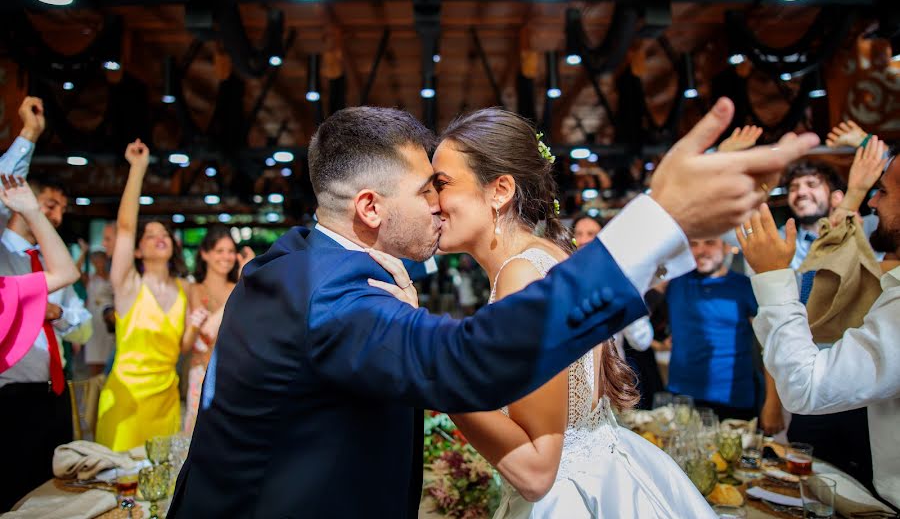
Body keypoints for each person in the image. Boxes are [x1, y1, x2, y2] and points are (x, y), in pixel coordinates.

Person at [169, 98, 818, 518]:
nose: (436, 204)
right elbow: (466, 361)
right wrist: (659, 218)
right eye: (427, 188)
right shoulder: (332, 293)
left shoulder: (293, 263)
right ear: (370, 207)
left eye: (442, 186)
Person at [378, 108, 715, 517]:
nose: (431, 202)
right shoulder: (547, 257)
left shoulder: (522, 276)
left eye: (442, 184)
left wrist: (424, 356)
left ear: (500, 190)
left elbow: (536, 470)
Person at [739, 183, 900, 509]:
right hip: (841, 386)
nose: (873, 200)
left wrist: (772, 274)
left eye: (883, 190)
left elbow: (807, 384)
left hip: (836, 389)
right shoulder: (810, 259)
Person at [95, 140, 189, 451]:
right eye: (150, 235)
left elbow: (185, 346)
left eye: (164, 234)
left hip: (167, 402)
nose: (159, 238)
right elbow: (124, 228)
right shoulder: (127, 284)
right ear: (138, 249)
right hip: (126, 402)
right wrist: (138, 169)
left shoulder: (183, 289)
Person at [0, 174, 81, 511]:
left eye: (62, 209)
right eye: (50, 205)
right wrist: (28, 137)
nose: (57, 216)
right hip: (10, 396)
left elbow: (81, 325)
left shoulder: (47, 262)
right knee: (13, 492)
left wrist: (58, 313)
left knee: (56, 492)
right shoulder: (4, 256)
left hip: (55, 390)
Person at [665, 237, 775, 423]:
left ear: (726, 247)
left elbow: (771, 344)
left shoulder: (744, 286)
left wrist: (773, 403)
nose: (701, 250)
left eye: (710, 243)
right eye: (694, 244)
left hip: (734, 399)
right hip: (681, 396)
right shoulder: (674, 284)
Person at [572, 212, 660, 408]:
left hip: (610, 378)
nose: (584, 239)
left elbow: (641, 341)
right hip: (571, 380)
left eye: (591, 233)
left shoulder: (619, 277)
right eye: (579, 233)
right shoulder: (563, 279)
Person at [182, 225, 254, 434]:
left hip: (235, 372)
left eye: (231, 251)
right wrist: (242, 284)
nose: (227, 257)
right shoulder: (193, 289)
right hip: (201, 373)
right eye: (219, 251)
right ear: (205, 254)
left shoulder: (239, 287)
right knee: (198, 434)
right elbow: (205, 333)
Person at [84, 249, 114, 376]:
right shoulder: (89, 278)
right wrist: (83, 253)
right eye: (95, 261)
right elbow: (74, 272)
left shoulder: (112, 277)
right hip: (93, 318)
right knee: (94, 357)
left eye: (100, 260)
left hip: (107, 318)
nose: (98, 263)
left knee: (108, 355)